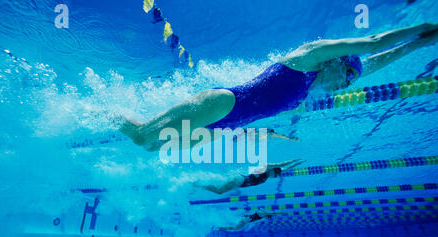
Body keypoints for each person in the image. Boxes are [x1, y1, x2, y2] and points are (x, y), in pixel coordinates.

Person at [121, 23, 438, 150]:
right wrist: (425, 27)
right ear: (336, 62)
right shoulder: (308, 59)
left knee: (152, 148)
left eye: (352, 80)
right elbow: (374, 43)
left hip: (223, 126)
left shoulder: (321, 81)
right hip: (219, 104)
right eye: (348, 76)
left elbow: (385, 56)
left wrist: (419, 45)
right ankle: (97, 112)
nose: (346, 85)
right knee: (141, 136)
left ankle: (111, 120)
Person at [193, 159, 304, 195]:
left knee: (218, 191)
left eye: (276, 177)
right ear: (272, 171)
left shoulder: (267, 175)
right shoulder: (264, 168)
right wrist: (295, 160)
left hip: (239, 182)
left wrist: (297, 164)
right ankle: (197, 184)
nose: (274, 177)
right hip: (239, 180)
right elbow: (280, 165)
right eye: (275, 175)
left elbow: (285, 169)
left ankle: (198, 184)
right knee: (219, 191)